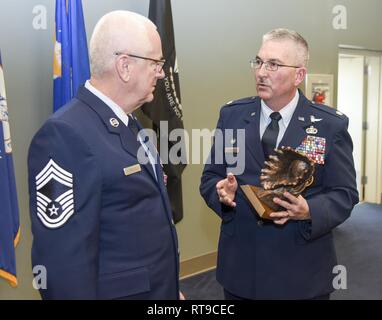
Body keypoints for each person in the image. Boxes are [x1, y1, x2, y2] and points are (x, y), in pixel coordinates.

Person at [28, 10, 181, 300]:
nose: (162, 73)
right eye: (157, 63)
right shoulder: (65, 136)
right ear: (125, 66)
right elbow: (62, 265)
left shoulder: (128, 121)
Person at [200, 28, 358, 300]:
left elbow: (345, 194)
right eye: (259, 62)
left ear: (299, 75)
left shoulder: (329, 125)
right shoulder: (232, 116)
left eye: (273, 64)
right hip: (241, 269)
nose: (261, 72)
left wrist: (309, 209)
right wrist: (221, 193)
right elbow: (210, 177)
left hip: (301, 273)